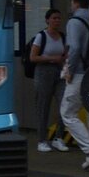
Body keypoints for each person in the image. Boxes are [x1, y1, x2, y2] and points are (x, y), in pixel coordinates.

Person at [60, 0, 89, 169]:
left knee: (68, 113)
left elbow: (75, 47)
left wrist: (69, 70)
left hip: (80, 75)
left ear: (76, 3)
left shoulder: (74, 22)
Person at [30, 9, 69, 152]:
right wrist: (52, 58)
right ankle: (42, 140)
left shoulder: (63, 37)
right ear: (47, 20)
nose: (57, 21)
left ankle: (58, 137)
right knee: (43, 106)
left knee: (64, 104)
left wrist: (65, 66)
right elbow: (33, 57)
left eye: (59, 18)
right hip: (43, 71)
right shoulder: (41, 36)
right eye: (54, 18)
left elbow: (65, 55)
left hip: (59, 72)